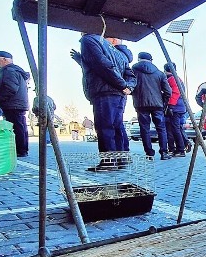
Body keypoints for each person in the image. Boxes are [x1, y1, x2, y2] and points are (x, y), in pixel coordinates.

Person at [71, 33, 135, 171]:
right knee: (117, 125)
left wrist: (121, 84)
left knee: (104, 127)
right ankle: (121, 159)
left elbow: (102, 65)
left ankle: (109, 162)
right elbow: (129, 74)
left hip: (105, 91)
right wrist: (128, 86)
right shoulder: (119, 52)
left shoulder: (89, 40)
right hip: (119, 94)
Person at [0, 51, 31, 157]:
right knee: (19, 126)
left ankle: (20, 150)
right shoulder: (13, 71)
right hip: (15, 104)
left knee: (17, 127)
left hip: (13, 104)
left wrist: (1, 99)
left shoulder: (9, 71)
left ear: (4, 59)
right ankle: (21, 149)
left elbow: (11, 88)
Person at [131, 52, 171, 160]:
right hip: (157, 104)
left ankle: (149, 154)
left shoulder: (133, 70)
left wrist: (135, 94)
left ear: (139, 59)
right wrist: (163, 102)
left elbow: (129, 85)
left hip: (140, 103)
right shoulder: (159, 73)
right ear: (151, 60)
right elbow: (168, 91)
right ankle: (164, 153)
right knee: (161, 128)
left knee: (145, 129)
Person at [163, 62, 187, 157]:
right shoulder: (178, 78)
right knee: (176, 128)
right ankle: (177, 148)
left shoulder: (172, 79)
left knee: (175, 129)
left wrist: (170, 106)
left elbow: (175, 93)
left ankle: (181, 150)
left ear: (165, 70)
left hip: (175, 107)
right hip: (180, 107)